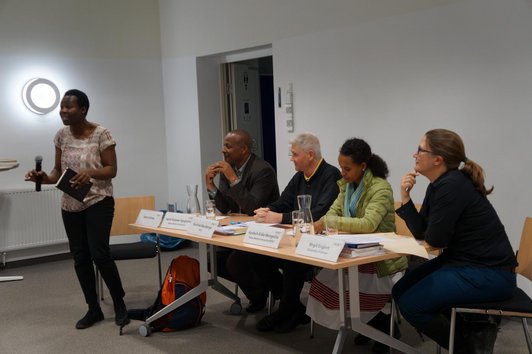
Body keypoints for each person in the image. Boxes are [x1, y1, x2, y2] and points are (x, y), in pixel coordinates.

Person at [392, 129, 517, 353]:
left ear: (437, 159)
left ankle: (465, 348)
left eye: (420, 149)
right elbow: (422, 232)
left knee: (412, 305)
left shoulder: (452, 185)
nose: (414, 154)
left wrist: (428, 232)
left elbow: (435, 240)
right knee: (400, 290)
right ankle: (467, 334)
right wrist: (406, 196)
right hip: (464, 263)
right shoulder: (438, 184)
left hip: (491, 273)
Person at [25, 89, 129, 330]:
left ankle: (119, 303)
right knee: (80, 257)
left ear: (83, 109)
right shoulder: (61, 135)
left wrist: (89, 173)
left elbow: (111, 169)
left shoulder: (101, 134)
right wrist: (41, 178)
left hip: (98, 200)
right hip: (70, 205)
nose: (63, 111)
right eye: (61, 107)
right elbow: (56, 173)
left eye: (68, 107)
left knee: (100, 254)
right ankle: (93, 309)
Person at [227, 132, 342, 333]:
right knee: (256, 254)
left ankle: (287, 310)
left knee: (292, 261)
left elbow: (319, 213)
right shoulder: (300, 176)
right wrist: (267, 211)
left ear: (310, 154)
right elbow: (283, 203)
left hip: (319, 243)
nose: (291, 159)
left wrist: (279, 218)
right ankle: (292, 306)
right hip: (295, 238)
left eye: (294, 155)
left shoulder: (331, 175)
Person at [306, 137, 407, 353]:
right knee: (325, 282)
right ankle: (369, 325)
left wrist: (328, 222)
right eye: (341, 167)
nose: (342, 172)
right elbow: (332, 212)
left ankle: (384, 331)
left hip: (383, 259)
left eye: (347, 168)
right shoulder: (346, 186)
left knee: (354, 290)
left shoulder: (381, 188)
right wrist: (323, 221)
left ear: (363, 166)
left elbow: (368, 224)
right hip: (354, 254)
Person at [205, 129, 279, 216]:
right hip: (238, 224)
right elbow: (224, 207)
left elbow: (253, 209)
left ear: (243, 149)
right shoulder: (228, 168)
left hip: (262, 225)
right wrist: (211, 186)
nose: (223, 150)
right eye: (224, 146)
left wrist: (233, 179)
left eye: (228, 147)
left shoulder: (263, 170)